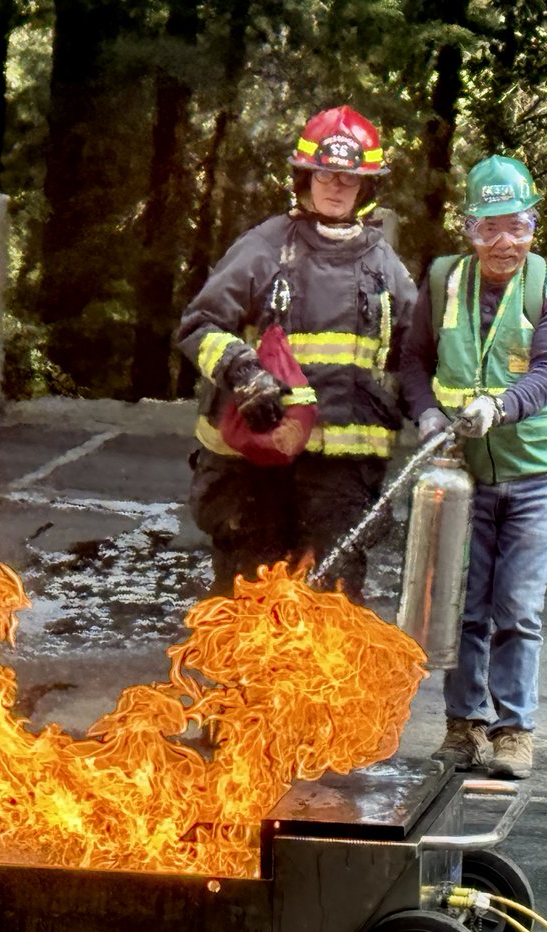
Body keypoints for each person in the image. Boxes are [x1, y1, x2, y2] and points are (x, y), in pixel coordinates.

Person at [177, 105, 417, 603]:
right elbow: (199, 326)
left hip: (341, 476)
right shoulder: (263, 248)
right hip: (254, 465)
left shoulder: (385, 268)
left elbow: (414, 357)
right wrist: (243, 372)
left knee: (329, 615)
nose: (335, 187)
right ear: (304, 177)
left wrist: (438, 415)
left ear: (366, 188)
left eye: (349, 179)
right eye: (325, 175)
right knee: (247, 611)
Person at [398, 154, 547, 779]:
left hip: (538, 474)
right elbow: (413, 361)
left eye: (519, 227)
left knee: (518, 607)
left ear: (534, 227)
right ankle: (463, 727)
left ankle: (514, 732)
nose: (504, 243)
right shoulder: (445, 282)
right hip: (464, 474)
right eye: (489, 228)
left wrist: (499, 406)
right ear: (469, 229)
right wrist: (424, 414)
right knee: (462, 603)